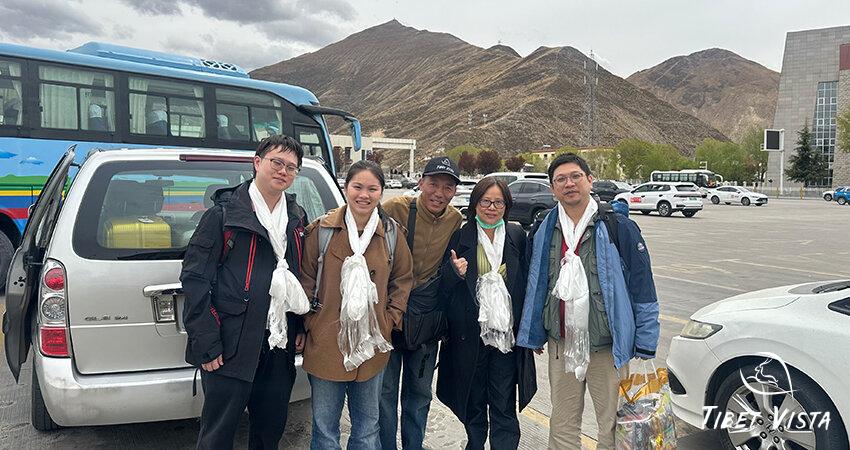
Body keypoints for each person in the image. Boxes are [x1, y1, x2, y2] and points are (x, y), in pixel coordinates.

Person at [516, 153, 660, 450]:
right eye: (561, 179)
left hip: (606, 345)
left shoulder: (617, 226)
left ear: (589, 180)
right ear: (553, 188)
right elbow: (536, 283)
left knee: (613, 423)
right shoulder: (544, 229)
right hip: (561, 343)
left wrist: (646, 339)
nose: (569, 184)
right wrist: (534, 329)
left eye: (575, 176)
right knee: (562, 422)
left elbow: (642, 285)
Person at [181, 135, 310, 450]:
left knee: (269, 433)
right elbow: (196, 279)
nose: (282, 171)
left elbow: (302, 280)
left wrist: (302, 326)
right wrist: (207, 344)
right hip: (230, 346)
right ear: (257, 162)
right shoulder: (223, 216)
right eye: (276, 162)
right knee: (217, 437)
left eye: (291, 167)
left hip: (278, 348)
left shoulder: (296, 219)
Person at [300, 160, 413, 450]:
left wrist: (389, 321)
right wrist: (311, 322)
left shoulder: (391, 234)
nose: (364, 194)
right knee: (325, 430)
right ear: (346, 188)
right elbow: (305, 279)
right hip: (326, 344)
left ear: (381, 193)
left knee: (366, 429)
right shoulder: (322, 231)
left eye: (372, 188)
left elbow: (402, 280)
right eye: (357, 187)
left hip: (371, 348)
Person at [437, 177, 537, 450]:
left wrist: (531, 330)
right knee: (474, 403)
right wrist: (453, 273)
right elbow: (442, 287)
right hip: (470, 339)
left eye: (498, 202)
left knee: (504, 404)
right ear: (475, 204)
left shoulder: (517, 236)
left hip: (506, 340)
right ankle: (475, 445)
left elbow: (528, 284)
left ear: (506, 205)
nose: (491, 208)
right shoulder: (461, 236)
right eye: (485, 201)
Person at [379, 156, 463, 450]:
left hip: (426, 320)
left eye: (448, 187)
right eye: (434, 184)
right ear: (420, 182)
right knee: (384, 393)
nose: (439, 193)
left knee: (419, 394)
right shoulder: (393, 209)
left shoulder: (456, 220)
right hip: (388, 316)